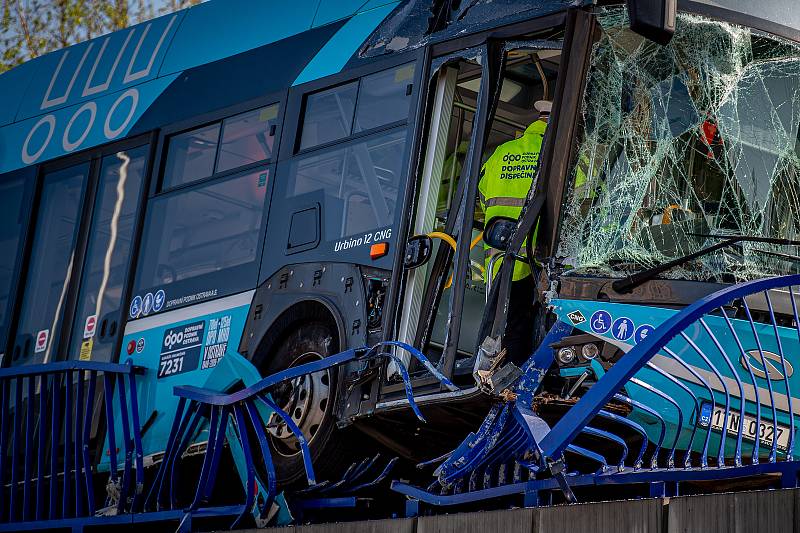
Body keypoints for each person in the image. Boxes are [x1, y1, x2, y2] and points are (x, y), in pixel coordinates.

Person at [478, 100, 551, 365]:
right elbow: (584, 196)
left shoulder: (501, 152)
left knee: (507, 329)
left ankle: (501, 380)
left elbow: (484, 190)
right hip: (539, 261)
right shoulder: (559, 153)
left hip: (500, 258)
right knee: (538, 331)